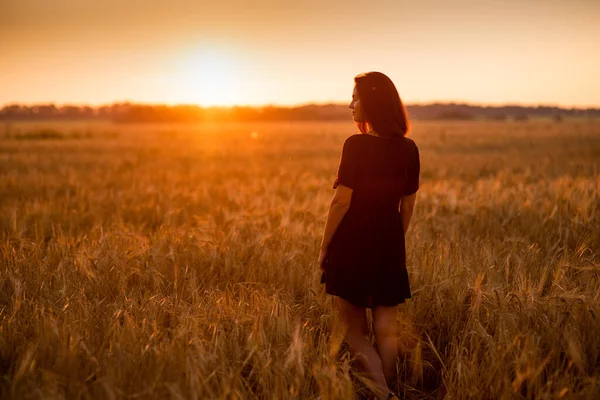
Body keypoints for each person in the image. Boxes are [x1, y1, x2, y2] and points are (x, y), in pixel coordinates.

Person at [319, 71, 420, 400]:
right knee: (387, 330)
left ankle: (382, 394)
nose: (350, 105)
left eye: (355, 97)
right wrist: (394, 242)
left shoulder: (356, 144)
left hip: (352, 245)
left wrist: (324, 248)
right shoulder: (409, 149)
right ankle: (390, 389)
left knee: (353, 331)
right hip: (390, 245)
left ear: (372, 103)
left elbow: (340, 203)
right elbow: (408, 205)